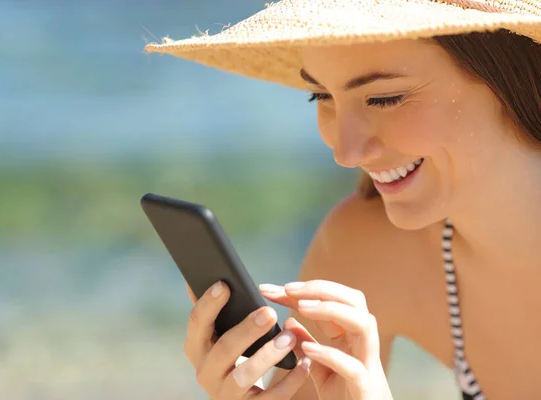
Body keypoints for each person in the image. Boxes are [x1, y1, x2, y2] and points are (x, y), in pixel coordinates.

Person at [145, 1, 541, 399]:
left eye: (385, 98)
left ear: (509, 77)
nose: (346, 154)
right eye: (321, 95)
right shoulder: (365, 252)